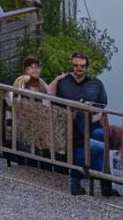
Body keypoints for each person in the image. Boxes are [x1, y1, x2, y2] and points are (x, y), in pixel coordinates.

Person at [49, 51, 116, 196]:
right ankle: (98, 182)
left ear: (87, 67)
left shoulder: (96, 84)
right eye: (75, 66)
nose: (78, 69)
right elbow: (51, 100)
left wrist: (92, 108)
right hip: (69, 127)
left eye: (82, 66)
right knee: (92, 145)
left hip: (91, 124)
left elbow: (102, 104)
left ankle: (99, 180)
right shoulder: (63, 82)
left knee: (102, 136)